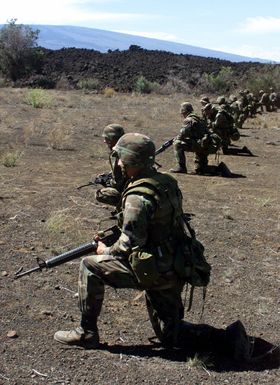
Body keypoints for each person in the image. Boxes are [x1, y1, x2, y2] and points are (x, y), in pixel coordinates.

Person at [54, 133, 252, 362]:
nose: (118, 163)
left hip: (154, 269)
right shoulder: (166, 182)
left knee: (89, 266)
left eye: (121, 159)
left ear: (131, 162)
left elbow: (128, 245)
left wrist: (103, 250)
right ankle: (228, 338)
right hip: (174, 264)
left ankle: (86, 333)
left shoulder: (137, 197)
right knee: (171, 335)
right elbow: (157, 225)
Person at [169, 102, 228, 176]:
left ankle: (181, 167)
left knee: (177, 143)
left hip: (202, 145)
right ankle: (220, 169)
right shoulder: (198, 118)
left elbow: (182, 135)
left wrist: (176, 138)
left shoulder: (189, 120)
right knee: (200, 169)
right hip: (207, 145)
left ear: (184, 111)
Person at [95, 123, 126, 206]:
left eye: (106, 138)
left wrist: (106, 182)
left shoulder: (120, 155)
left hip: (132, 190)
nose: (104, 141)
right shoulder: (130, 149)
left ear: (112, 139)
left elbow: (118, 183)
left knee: (101, 194)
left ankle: (124, 207)